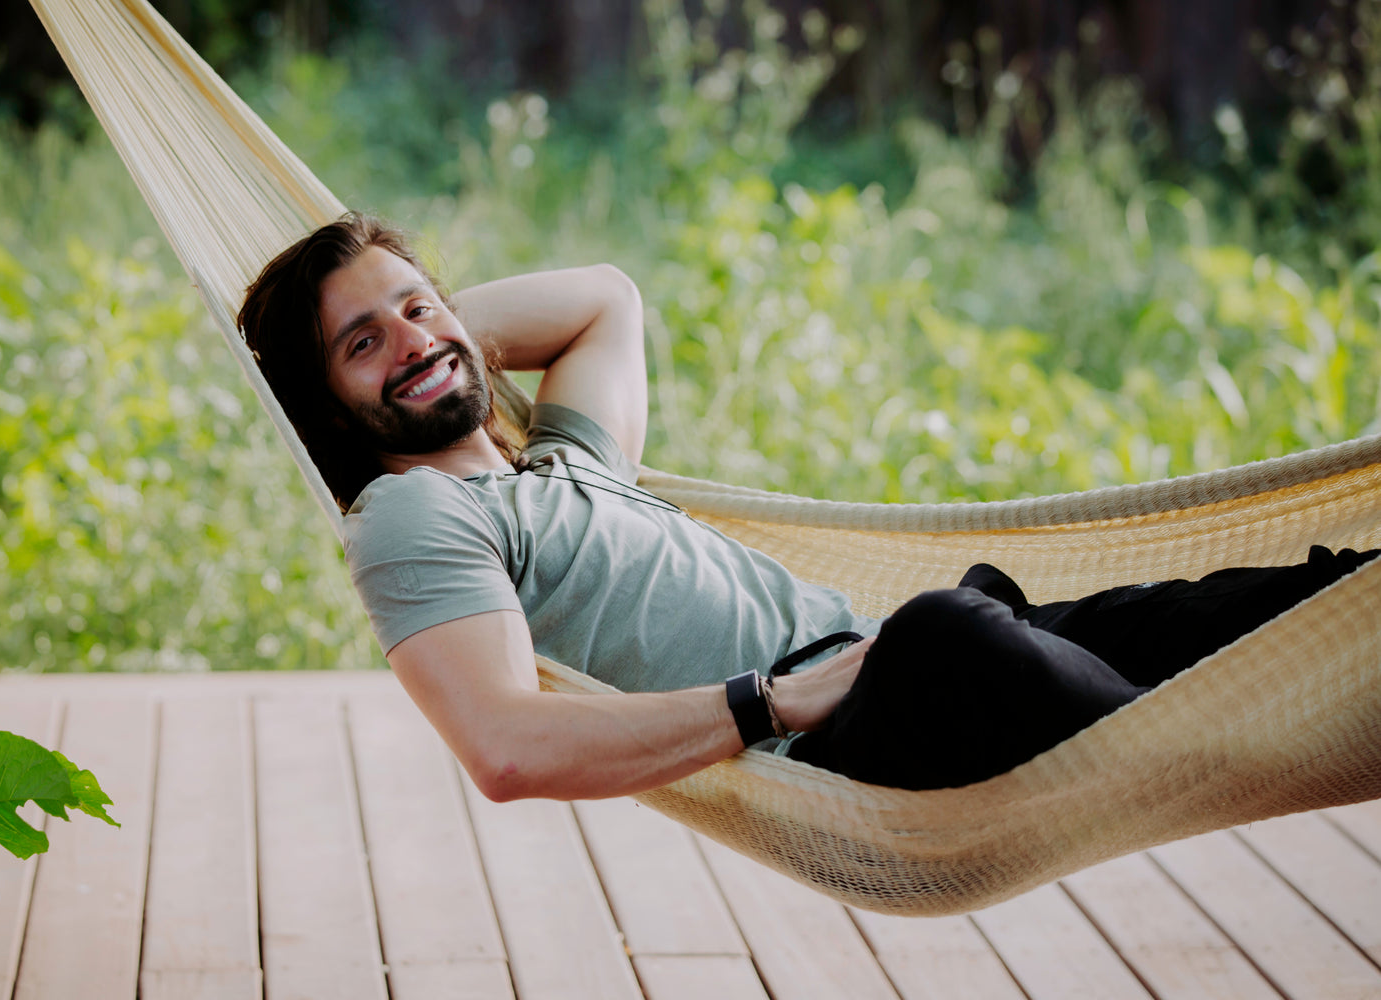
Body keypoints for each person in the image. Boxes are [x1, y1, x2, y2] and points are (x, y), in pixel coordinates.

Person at [238, 212, 1375, 800]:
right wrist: (777, 697)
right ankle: (1253, 739)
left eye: (418, 307)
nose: (415, 341)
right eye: (361, 343)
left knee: (1212, 609)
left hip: (925, 657)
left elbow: (603, 302)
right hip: (854, 717)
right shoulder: (413, 515)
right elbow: (505, 749)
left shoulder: (565, 469)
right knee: (947, 630)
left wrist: (427, 340)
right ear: (327, 410)